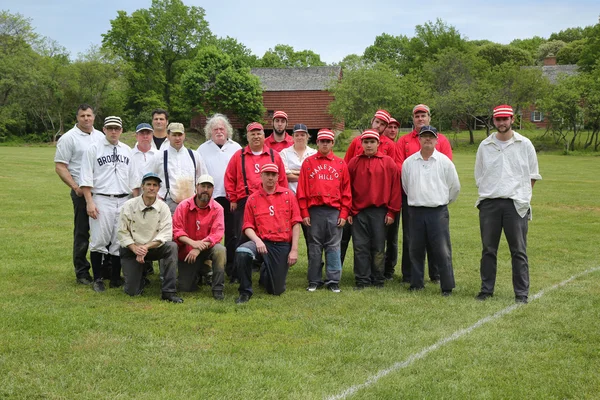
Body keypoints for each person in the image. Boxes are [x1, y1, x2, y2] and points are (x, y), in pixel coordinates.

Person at [475, 105, 542, 304]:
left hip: (516, 205)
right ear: (493, 121)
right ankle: (486, 290)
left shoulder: (525, 144)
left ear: (512, 119)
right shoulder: (485, 146)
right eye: (498, 119)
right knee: (488, 249)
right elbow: (479, 175)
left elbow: (532, 175)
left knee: (519, 251)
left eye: (505, 119)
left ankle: (521, 293)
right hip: (490, 204)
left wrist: (522, 195)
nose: (502, 123)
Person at [79, 116, 140, 292]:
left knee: (118, 240)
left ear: (121, 130)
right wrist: (89, 202)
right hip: (101, 198)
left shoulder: (127, 151)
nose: (113, 131)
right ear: (104, 129)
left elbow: (134, 181)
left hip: (123, 199)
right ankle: (97, 278)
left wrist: (134, 204)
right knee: (99, 239)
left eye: (117, 128)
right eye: (110, 128)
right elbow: (86, 178)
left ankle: (114, 278)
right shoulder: (94, 149)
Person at [396, 104, 453, 284]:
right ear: (413, 119)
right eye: (417, 116)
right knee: (411, 237)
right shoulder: (404, 141)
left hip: (435, 197)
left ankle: (436, 275)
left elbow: (447, 169)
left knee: (437, 240)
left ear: (429, 117)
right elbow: (400, 168)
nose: (420, 119)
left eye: (423, 115)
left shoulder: (441, 140)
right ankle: (410, 275)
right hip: (412, 196)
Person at [224, 122, 288, 281]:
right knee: (241, 235)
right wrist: (232, 198)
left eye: (259, 133)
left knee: (268, 234)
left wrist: (282, 200)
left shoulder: (274, 155)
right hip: (245, 201)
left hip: (269, 200)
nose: (256, 136)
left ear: (263, 135)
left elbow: (282, 180)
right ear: (248, 136)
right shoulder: (239, 156)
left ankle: (264, 266)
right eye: (252, 133)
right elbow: (229, 177)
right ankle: (238, 272)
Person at [401, 126, 460, 296]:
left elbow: (454, 187)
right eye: (424, 136)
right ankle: (416, 282)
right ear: (418, 139)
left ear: (436, 140)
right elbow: (406, 185)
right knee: (415, 248)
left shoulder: (444, 162)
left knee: (442, 250)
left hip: (437, 211)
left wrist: (442, 201)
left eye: (431, 137)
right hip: (415, 211)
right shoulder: (409, 163)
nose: (427, 139)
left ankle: (447, 286)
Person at [234, 164, 301, 304]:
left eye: (273, 175)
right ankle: (245, 291)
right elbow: (247, 226)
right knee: (242, 251)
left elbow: (295, 223)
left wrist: (294, 250)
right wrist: (257, 241)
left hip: (281, 243)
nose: (270, 178)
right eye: (267, 174)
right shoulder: (252, 199)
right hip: (260, 241)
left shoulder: (289, 195)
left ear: (278, 177)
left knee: (276, 290)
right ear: (261, 176)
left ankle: (266, 270)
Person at [341, 109, 398, 266]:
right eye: (377, 122)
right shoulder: (357, 142)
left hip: (379, 201)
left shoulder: (390, 145)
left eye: (382, 124)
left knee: (382, 240)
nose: (378, 126)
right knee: (345, 236)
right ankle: (336, 270)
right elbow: (346, 168)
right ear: (372, 120)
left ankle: (384, 271)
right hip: (356, 200)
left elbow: (392, 176)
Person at [297, 129, 351, 293]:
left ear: (332, 143)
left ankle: (333, 280)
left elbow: (347, 192)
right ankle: (314, 280)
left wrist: (343, 213)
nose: (325, 144)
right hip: (314, 212)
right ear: (317, 143)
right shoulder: (308, 163)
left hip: (334, 211)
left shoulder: (341, 164)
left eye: (328, 141)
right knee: (314, 247)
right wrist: (304, 212)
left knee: (333, 246)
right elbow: (302, 191)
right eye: (322, 141)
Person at [54, 104, 104, 285]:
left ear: (94, 117)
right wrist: (75, 187)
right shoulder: (69, 138)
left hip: (101, 191)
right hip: (81, 192)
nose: (86, 119)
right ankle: (82, 272)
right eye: (82, 116)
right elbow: (60, 166)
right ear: (77, 118)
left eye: (89, 115)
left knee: (103, 231)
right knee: (83, 232)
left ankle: (105, 268)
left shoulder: (100, 136)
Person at [347, 130, 401, 289]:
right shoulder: (354, 163)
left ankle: (378, 279)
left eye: (372, 142)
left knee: (378, 247)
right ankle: (362, 279)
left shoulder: (388, 162)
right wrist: (349, 211)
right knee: (360, 247)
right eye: (366, 142)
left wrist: (392, 211)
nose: (369, 145)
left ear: (378, 143)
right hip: (359, 212)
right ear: (361, 144)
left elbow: (395, 189)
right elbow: (347, 189)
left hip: (380, 211)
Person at [117, 172, 183, 303]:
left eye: (155, 185)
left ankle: (168, 291)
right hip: (132, 249)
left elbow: (166, 233)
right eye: (148, 184)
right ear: (142, 186)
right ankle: (139, 278)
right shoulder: (129, 205)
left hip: (154, 248)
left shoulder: (163, 207)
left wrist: (146, 247)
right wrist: (135, 248)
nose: (151, 188)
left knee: (172, 246)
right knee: (132, 292)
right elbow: (122, 232)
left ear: (158, 188)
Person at [197, 114, 242, 283]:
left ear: (227, 130)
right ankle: (206, 269)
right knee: (208, 234)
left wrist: (235, 197)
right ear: (210, 131)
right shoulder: (202, 149)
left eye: (221, 129)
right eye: (215, 129)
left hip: (231, 198)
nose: (219, 132)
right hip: (210, 198)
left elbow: (240, 173)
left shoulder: (236, 147)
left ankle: (231, 268)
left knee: (232, 234)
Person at [173, 175, 227, 300]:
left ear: (213, 190)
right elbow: (177, 230)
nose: (205, 190)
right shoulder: (183, 206)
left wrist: (198, 247)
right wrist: (192, 243)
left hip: (207, 248)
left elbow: (217, 234)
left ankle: (218, 288)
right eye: (203, 186)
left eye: (209, 187)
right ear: (197, 187)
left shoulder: (218, 208)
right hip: (187, 251)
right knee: (185, 287)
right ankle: (202, 270)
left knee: (220, 250)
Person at [152, 122, 208, 215]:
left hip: (192, 205)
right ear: (168, 136)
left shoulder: (194, 155)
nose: (177, 138)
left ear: (184, 135)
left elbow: (203, 179)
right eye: (174, 135)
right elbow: (149, 179)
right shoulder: (159, 156)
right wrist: (157, 196)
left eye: (180, 135)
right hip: (167, 205)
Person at [382, 117, 402, 280]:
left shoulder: (395, 147)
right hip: (375, 199)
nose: (392, 130)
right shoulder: (374, 142)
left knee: (392, 236)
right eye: (390, 127)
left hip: (392, 197)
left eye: (395, 127)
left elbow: (397, 170)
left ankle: (389, 269)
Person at [279, 123, 317, 194]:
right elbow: (284, 175)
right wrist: (305, 176)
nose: (299, 137)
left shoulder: (314, 153)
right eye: (297, 135)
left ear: (307, 136)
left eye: (302, 135)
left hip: (309, 195)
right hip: (291, 195)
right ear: (292, 137)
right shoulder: (284, 153)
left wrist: (292, 172)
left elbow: (316, 175)